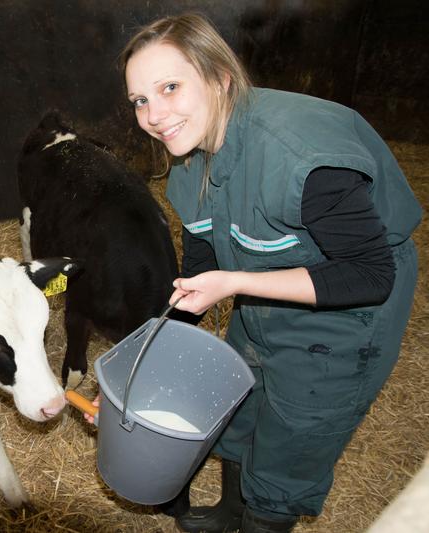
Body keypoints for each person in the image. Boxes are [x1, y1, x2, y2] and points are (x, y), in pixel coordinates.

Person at [83, 12, 422, 533]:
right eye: (140, 100)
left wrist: (237, 284)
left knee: (294, 432)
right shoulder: (190, 158)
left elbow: (370, 275)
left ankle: (265, 521)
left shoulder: (301, 158)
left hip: (345, 314)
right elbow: (199, 276)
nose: (153, 114)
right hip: (262, 289)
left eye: (170, 87)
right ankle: (227, 514)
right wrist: (133, 380)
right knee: (240, 400)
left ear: (219, 76)